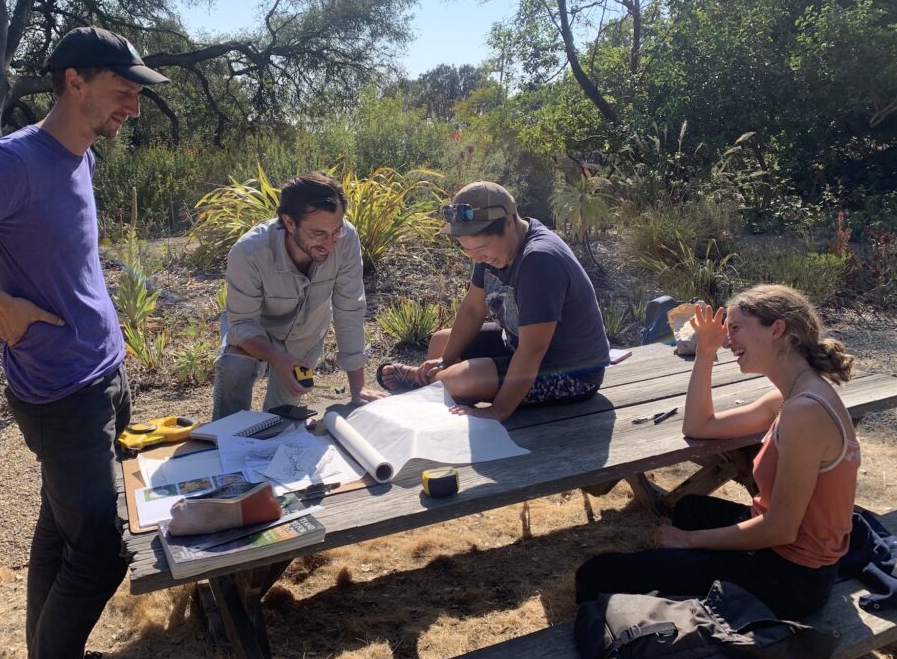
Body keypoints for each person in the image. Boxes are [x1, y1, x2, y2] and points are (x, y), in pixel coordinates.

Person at [0, 27, 169, 659]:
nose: (130, 106)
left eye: (135, 94)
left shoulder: (80, 155)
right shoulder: (12, 162)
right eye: (120, 91)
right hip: (60, 393)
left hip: (103, 375)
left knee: (61, 530)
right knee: (102, 551)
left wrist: (111, 334)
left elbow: (69, 260)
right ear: (74, 81)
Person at [575, 284, 860, 619]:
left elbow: (780, 529)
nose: (728, 341)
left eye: (736, 329)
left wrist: (689, 541)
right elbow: (699, 426)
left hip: (790, 580)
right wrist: (706, 353)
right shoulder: (793, 395)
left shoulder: (804, 411)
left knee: (594, 576)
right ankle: (679, 579)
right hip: (784, 552)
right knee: (691, 509)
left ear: (777, 330)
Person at [377, 181, 610, 422]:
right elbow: (473, 308)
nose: (478, 258)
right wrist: (445, 359)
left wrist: (498, 411)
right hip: (516, 342)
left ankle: (424, 384)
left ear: (509, 222)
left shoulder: (539, 260)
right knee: (440, 344)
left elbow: (533, 350)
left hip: (571, 372)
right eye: (469, 252)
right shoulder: (493, 253)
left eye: (482, 248)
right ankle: (438, 385)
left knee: (462, 379)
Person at [212, 171, 387, 418]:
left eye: (336, 231)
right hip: (255, 335)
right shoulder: (248, 252)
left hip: (305, 338)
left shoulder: (346, 239)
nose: (330, 243)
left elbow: (349, 308)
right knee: (234, 365)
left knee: (281, 419)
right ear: (290, 222)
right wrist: (276, 358)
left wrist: (358, 387)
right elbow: (242, 323)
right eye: (318, 234)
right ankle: (222, 437)